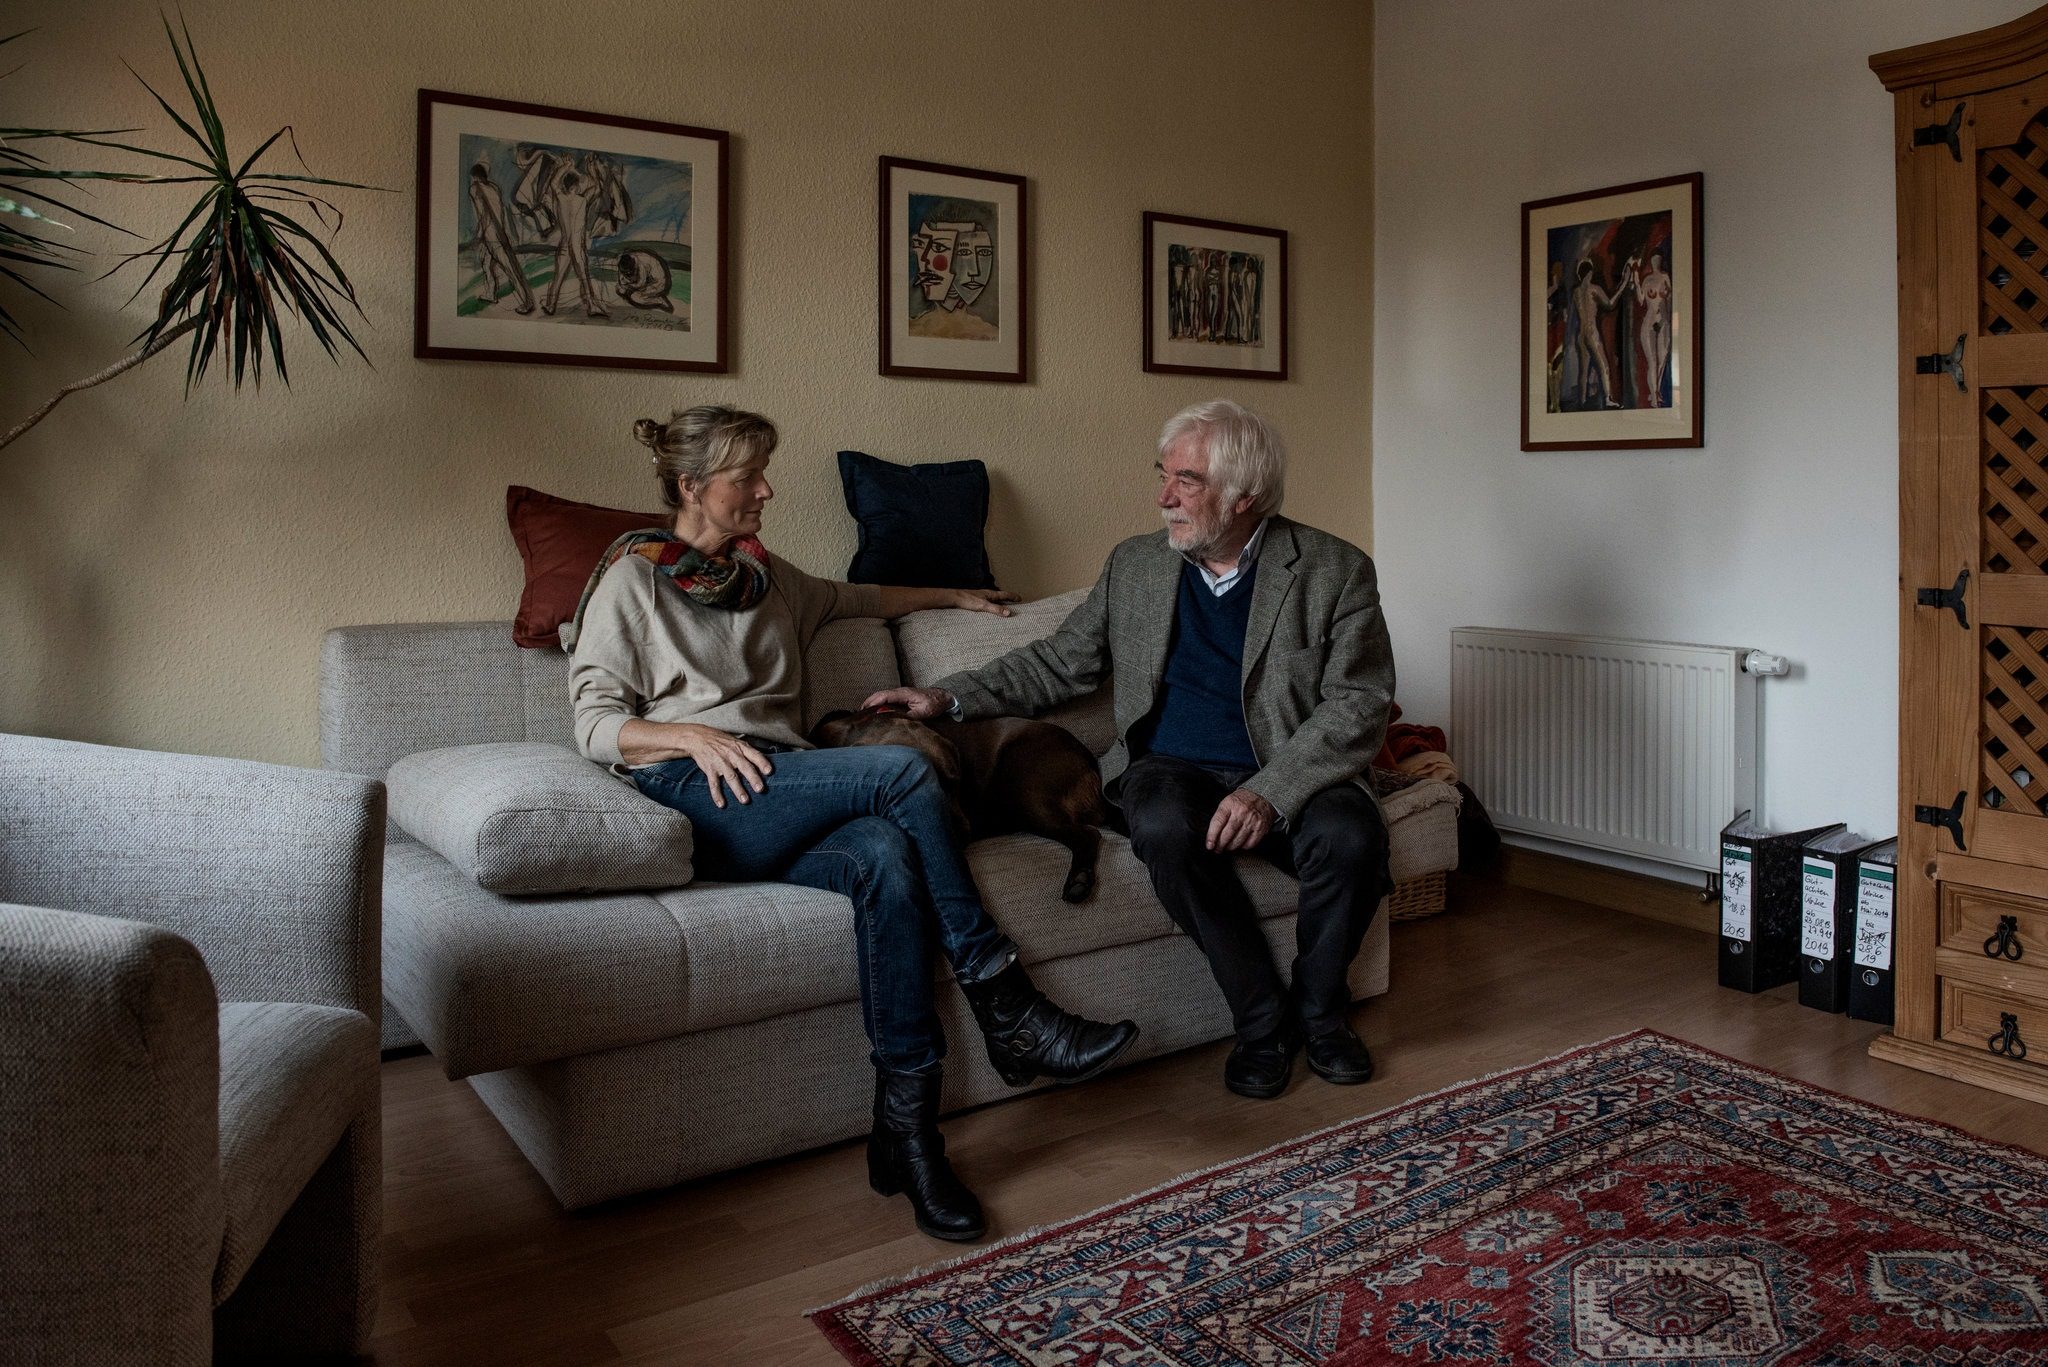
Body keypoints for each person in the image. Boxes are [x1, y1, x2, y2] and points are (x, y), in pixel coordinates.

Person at [568, 406, 1138, 1243]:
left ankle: (908, 1138)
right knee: (903, 768)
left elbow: (862, 596)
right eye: (747, 477)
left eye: (764, 472)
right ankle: (1004, 998)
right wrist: (686, 734)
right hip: (701, 790)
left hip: (787, 784)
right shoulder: (634, 581)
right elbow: (592, 722)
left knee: (883, 855)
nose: (767, 490)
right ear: (690, 487)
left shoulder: (767, 579)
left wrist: (954, 594)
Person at [866, 399, 1394, 1101]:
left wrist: (1270, 792)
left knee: (1352, 836)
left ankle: (1322, 1015)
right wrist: (946, 698)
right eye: (1163, 475)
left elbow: (1359, 701)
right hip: (1170, 767)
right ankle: (1263, 1023)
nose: (1163, 497)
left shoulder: (1335, 569)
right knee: (1164, 826)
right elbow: (1061, 662)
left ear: (1245, 496)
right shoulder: (1137, 564)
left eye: (1187, 481)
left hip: (1288, 764)